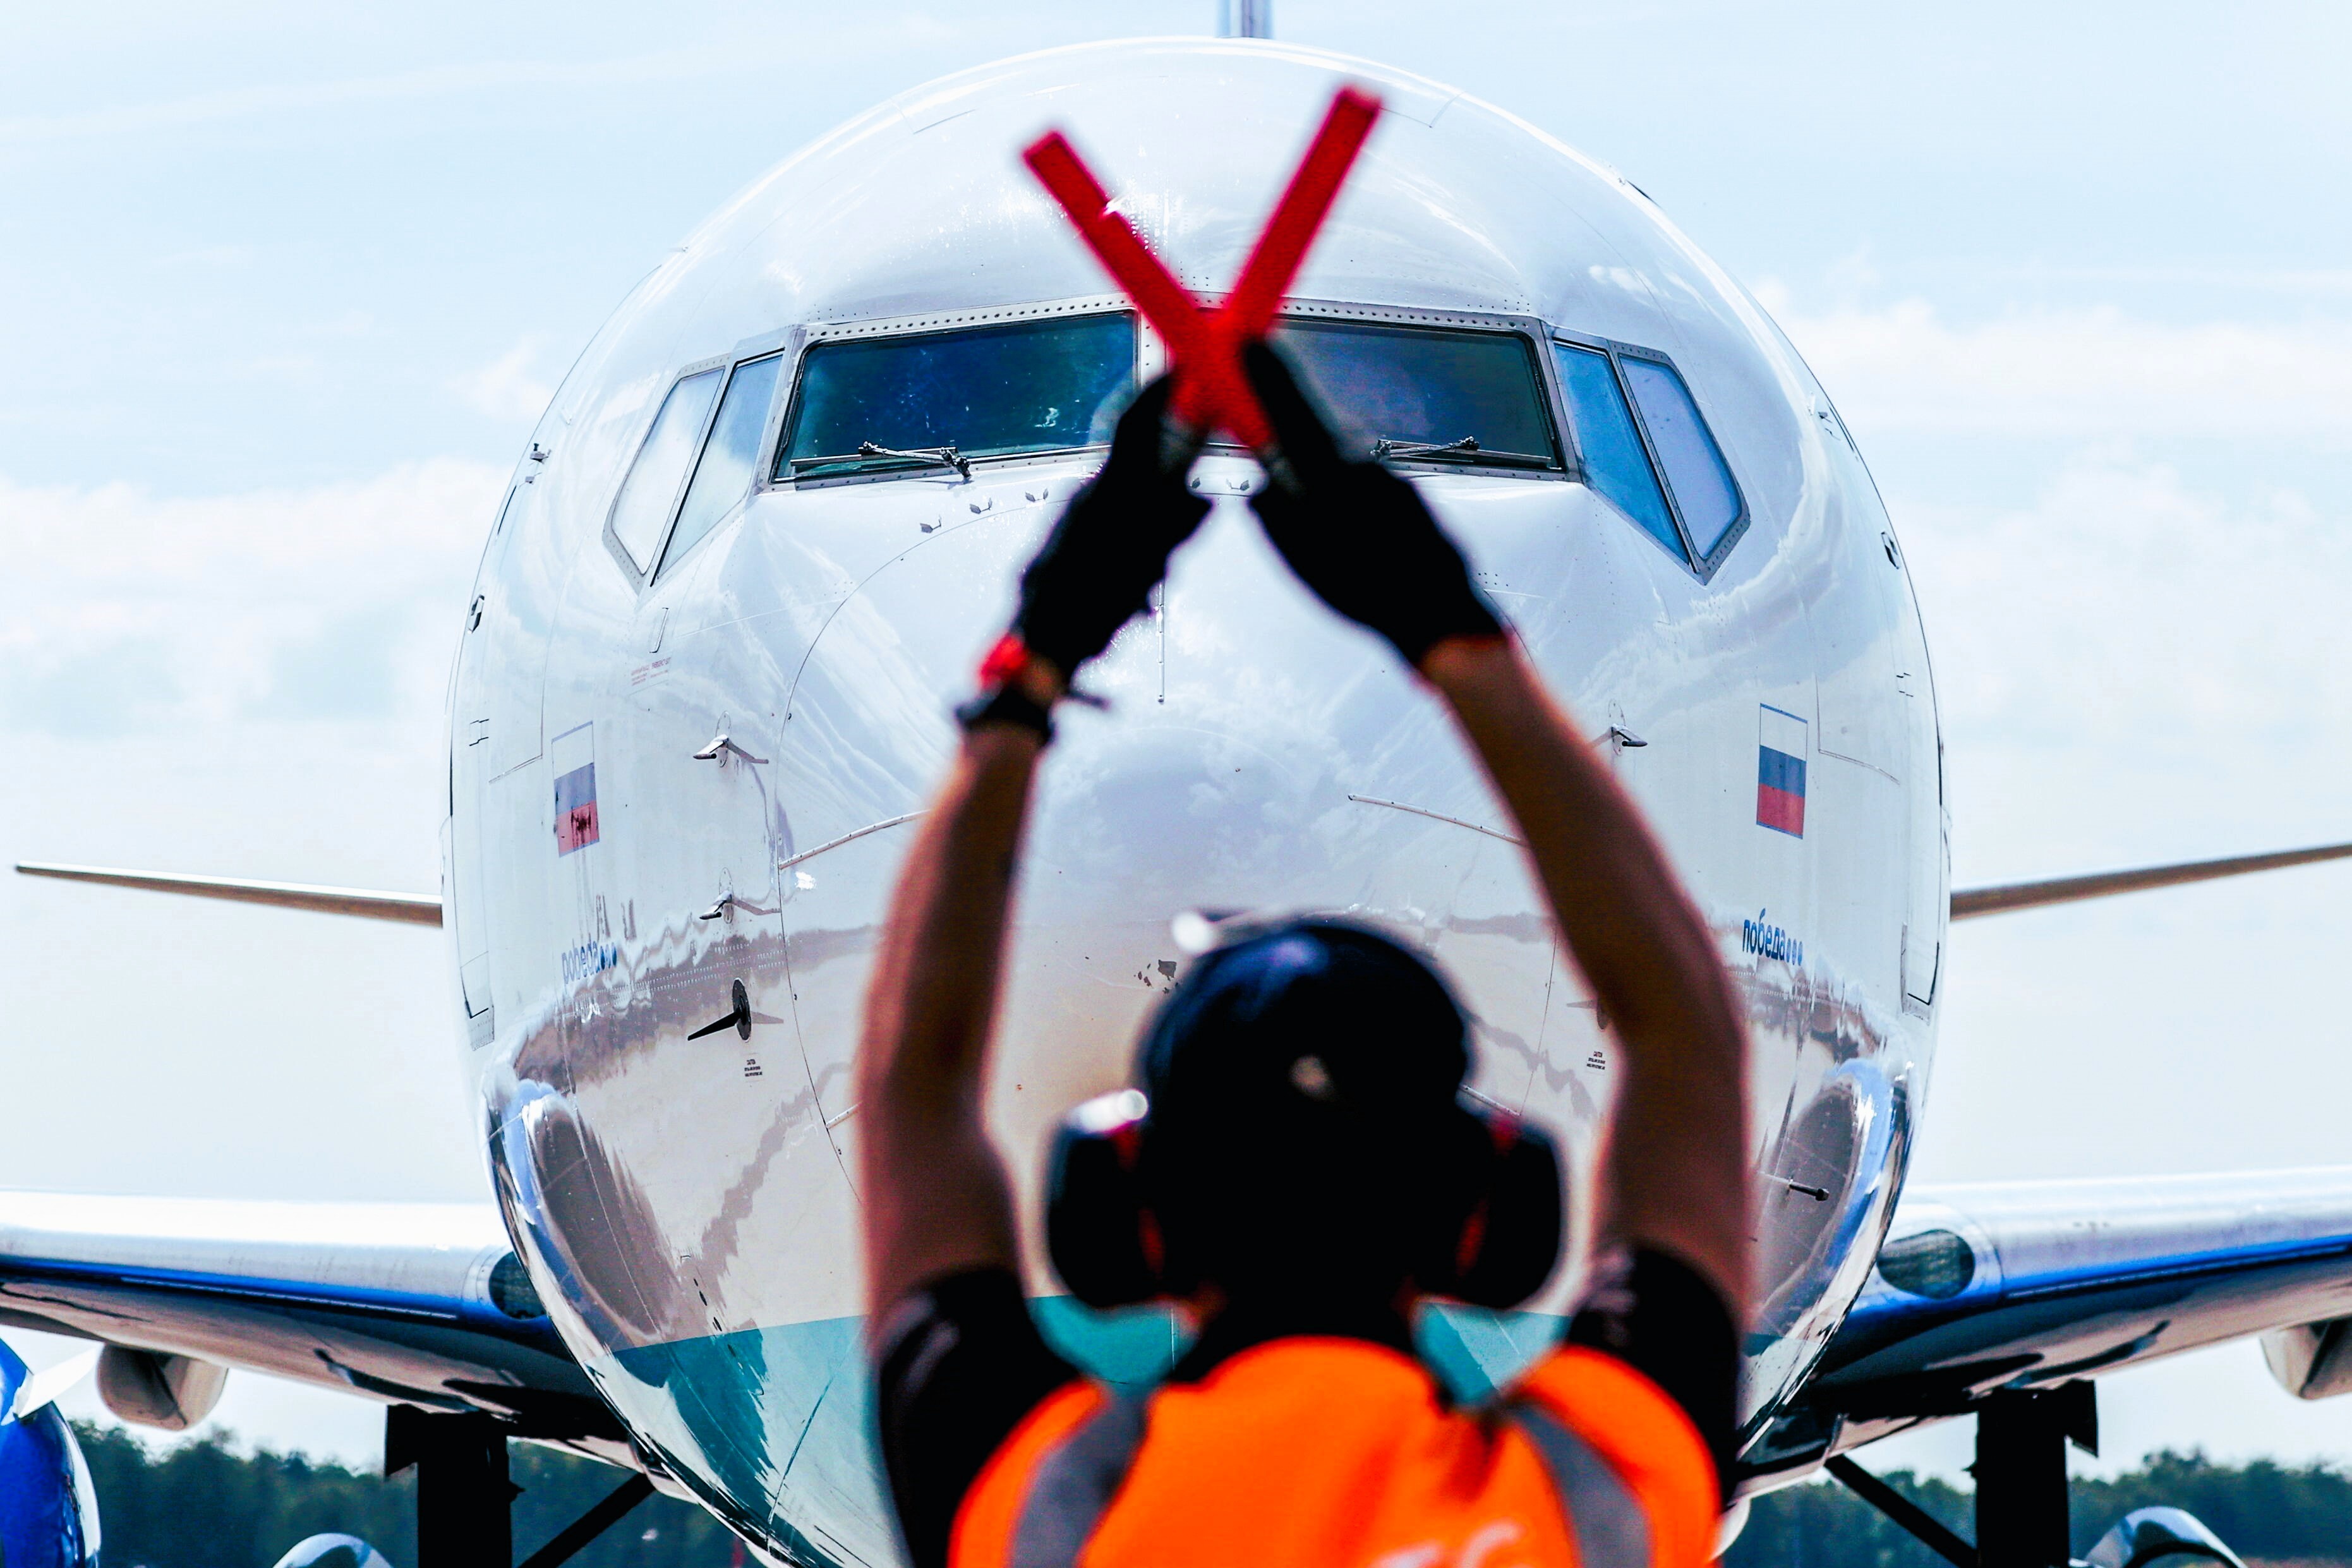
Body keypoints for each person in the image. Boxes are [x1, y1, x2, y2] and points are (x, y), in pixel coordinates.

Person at [855, 343, 1752, 1568]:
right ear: (1481, 1210)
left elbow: (910, 1086)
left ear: (1125, 1207)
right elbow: (1687, 1034)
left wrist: (1031, 666)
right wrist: (1446, 624)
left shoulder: (1047, 1510)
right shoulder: (1582, 1500)